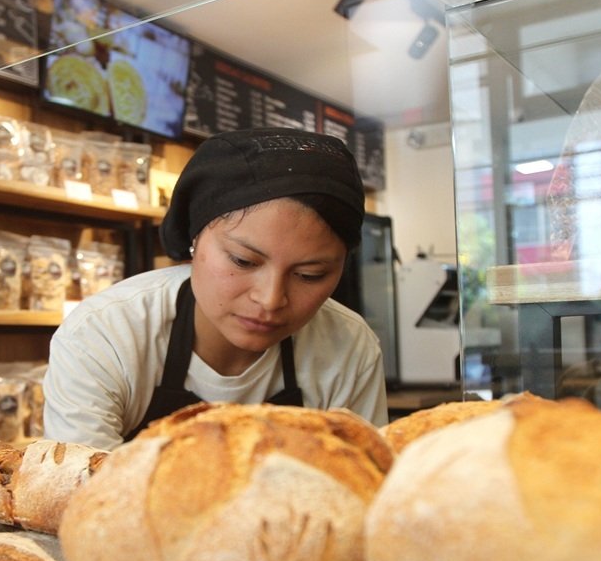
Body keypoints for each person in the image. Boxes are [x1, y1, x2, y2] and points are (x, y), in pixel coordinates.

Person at [43, 127, 390, 449]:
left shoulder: (348, 346)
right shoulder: (105, 335)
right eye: (243, 261)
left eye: (310, 274)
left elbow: (359, 490)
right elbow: (87, 501)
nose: (270, 299)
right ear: (194, 239)